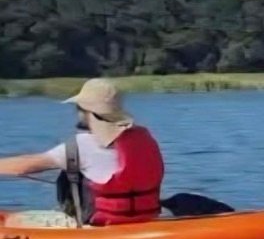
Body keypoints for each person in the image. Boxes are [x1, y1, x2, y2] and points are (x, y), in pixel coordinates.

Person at [0, 78, 165, 228]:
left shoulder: (82, 145)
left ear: (86, 112)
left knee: (12, 221)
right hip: (146, 218)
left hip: (98, 225)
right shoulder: (144, 138)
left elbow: (22, 167)